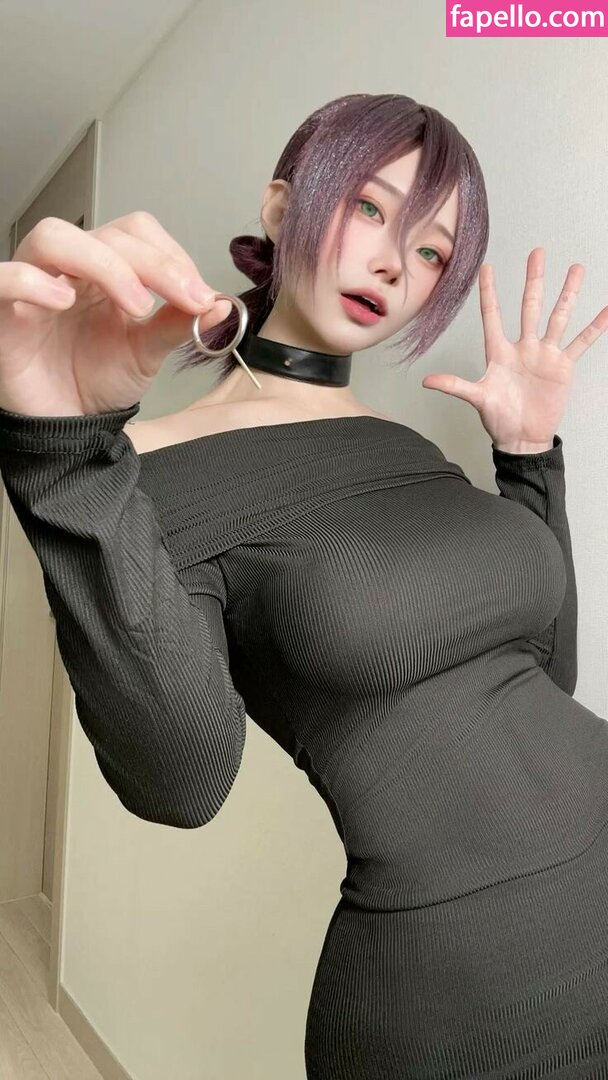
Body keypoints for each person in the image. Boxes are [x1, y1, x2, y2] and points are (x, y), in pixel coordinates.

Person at [1, 91, 607, 1078]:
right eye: (369, 208)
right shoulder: (142, 474)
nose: (394, 264)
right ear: (282, 208)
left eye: (431, 253)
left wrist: (530, 455)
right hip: (469, 996)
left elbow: (545, 678)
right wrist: (64, 458)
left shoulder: (405, 447)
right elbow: (181, 781)